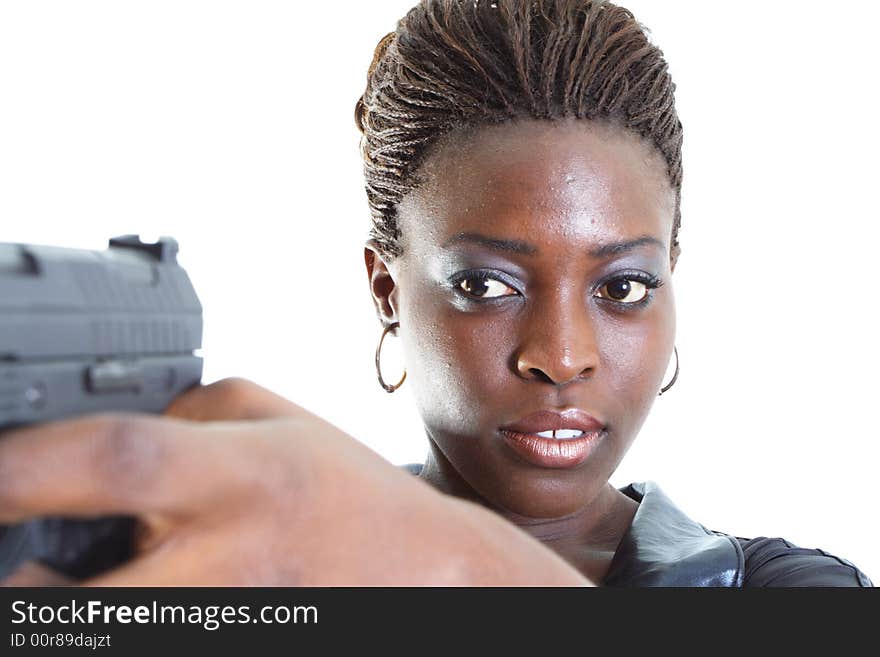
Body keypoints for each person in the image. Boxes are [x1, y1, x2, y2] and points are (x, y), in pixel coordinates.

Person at [0, 0, 872, 587]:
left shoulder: (789, 590)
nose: (561, 354)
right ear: (386, 287)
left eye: (624, 284)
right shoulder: (262, 571)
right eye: (486, 282)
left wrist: (461, 570)